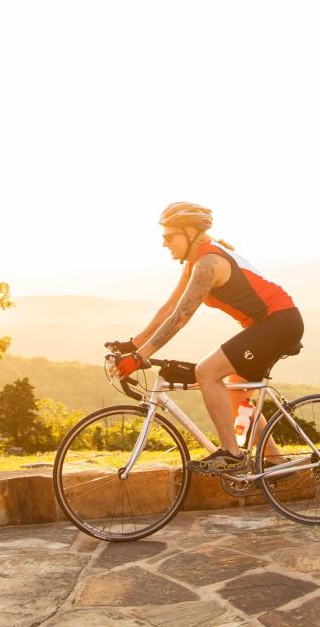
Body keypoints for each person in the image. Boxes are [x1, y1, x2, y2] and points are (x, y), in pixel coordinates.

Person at [110, 202, 304, 475]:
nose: (164, 243)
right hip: (268, 325)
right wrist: (134, 345)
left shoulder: (208, 264)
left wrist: (140, 356)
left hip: (280, 323)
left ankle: (231, 454)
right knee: (238, 392)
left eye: (169, 236)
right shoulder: (194, 263)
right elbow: (168, 308)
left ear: (190, 232)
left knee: (207, 372)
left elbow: (180, 316)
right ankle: (275, 464)